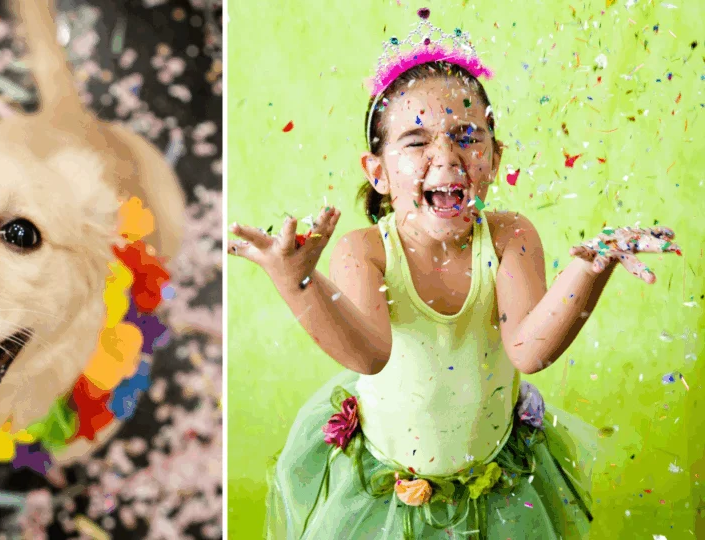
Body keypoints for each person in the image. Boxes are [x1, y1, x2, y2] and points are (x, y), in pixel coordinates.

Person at [227, 13, 682, 540]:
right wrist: (296, 282)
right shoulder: (364, 251)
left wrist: (591, 265)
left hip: (496, 476)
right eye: (416, 142)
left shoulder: (511, 237)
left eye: (467, 136)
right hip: (391, 484)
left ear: (494, 159)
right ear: (378, 171)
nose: (446, 156)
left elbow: (530, 351)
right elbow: (368, 355)